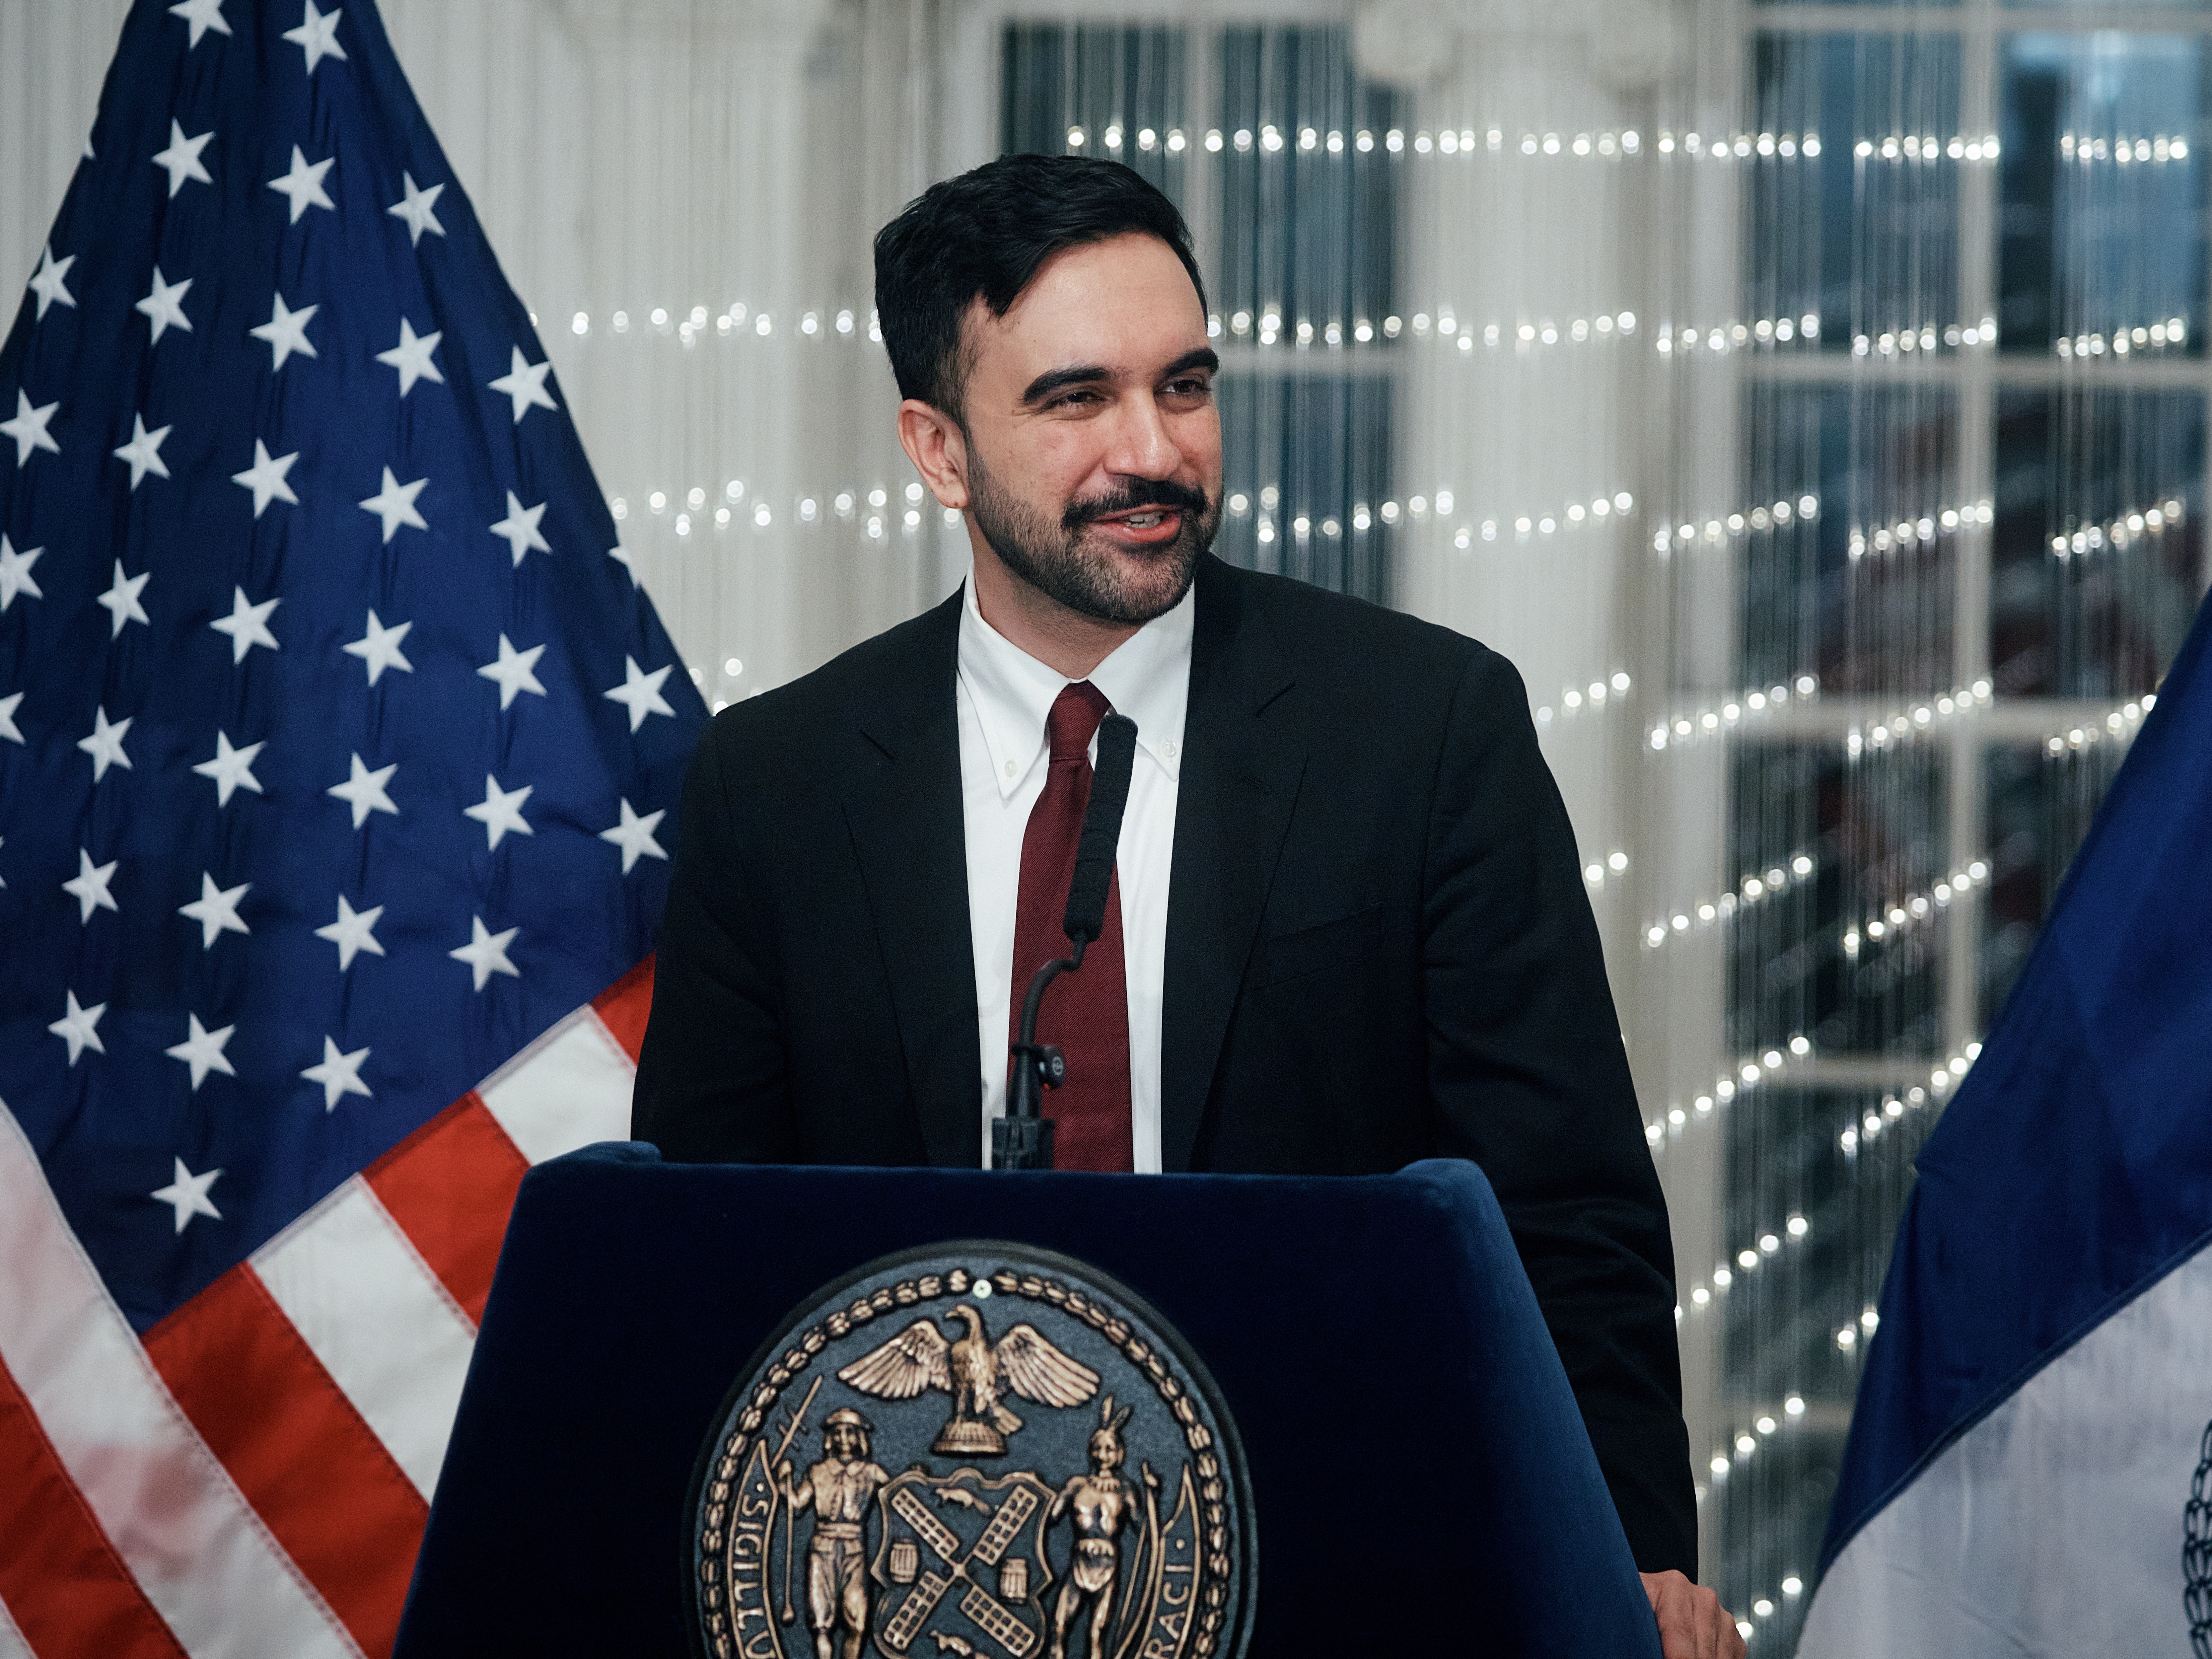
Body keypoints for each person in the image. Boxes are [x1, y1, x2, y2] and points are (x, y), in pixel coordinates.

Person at [633, 152, 1742, 1657]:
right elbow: (703, 1256)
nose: (1154, 451)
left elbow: (1568, 1216)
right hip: (926, 1594)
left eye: (1187, 385)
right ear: (937, 447)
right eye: (1075, 398)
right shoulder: (775, 782)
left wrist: (1622, 1572)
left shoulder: (1424, 731)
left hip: (1352, 1570)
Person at [780, 1408, 891, 1659]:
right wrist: (785, 1482)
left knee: (857, 1624)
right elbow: (797, 1504)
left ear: (859, 1437)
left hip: (854, 1550)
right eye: (838, 1432)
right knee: (821, 1625)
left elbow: (897, 1494)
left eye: (850, 1432)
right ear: (830, 1437)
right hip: (822, 1549)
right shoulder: (817, 1471)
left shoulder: (871, 1473)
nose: (843, 1438)